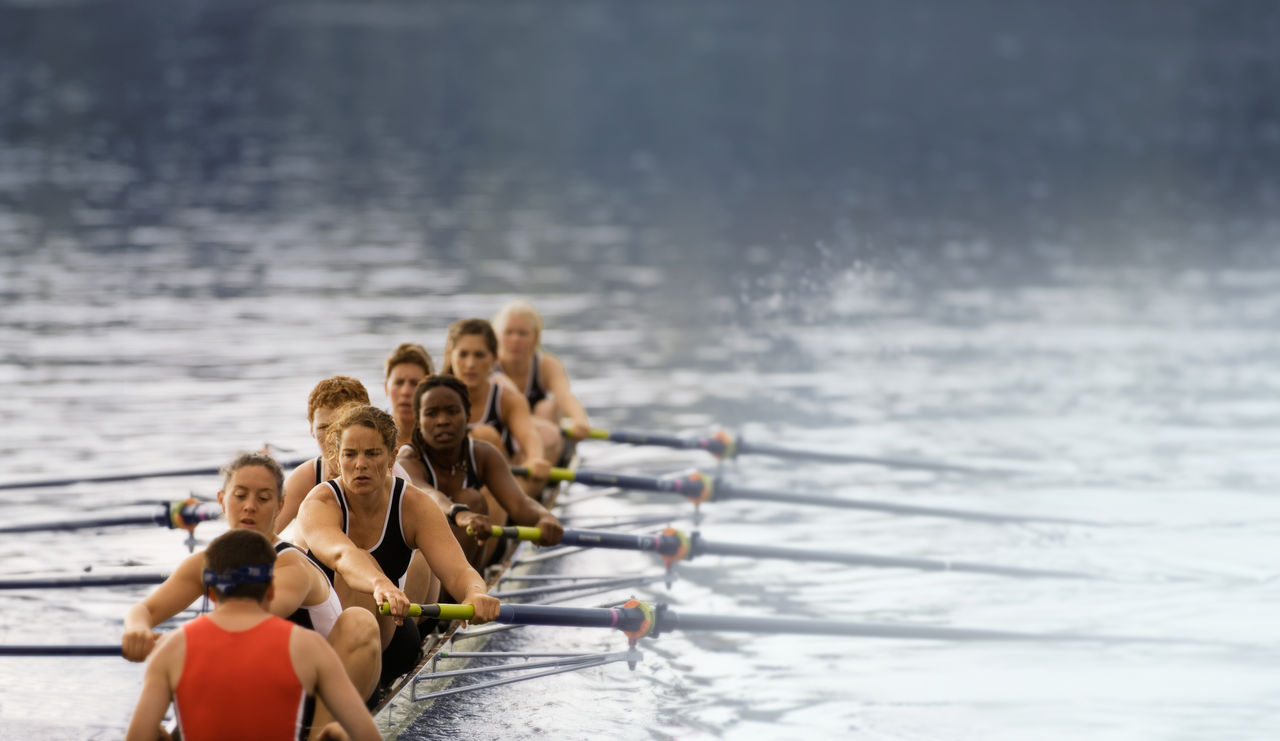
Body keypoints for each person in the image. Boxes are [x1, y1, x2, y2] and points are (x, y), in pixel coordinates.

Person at [122, 452, 380, 740]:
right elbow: (144, 610)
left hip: (321, 691)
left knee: (359, 620)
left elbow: (248, 623)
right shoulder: (207, 561)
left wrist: (170, 646)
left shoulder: (291, 565)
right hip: (257, 687)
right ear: (222, 500)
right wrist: (137, 630)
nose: (249, 507)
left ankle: (316, 734)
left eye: (264, 498)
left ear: (280, 505)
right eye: (240, 495)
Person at [295, 404, 501, 684]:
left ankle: (362, 690)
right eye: (350, 454)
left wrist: (476, 593)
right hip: (323, 636)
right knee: (365, 566)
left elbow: (457, 571)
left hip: (389, 640)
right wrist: (380, 584)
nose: (360, 464)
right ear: (337, 457)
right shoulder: (320, 503)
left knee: (407, 617)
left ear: (392, 457)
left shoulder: (415, 505)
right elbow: (343, 555)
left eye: (372, 453)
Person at [397, 375, 564, 566]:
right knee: (469, 502)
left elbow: (519, 505)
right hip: (421, 565)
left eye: (452, 411)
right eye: (432, 413)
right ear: (418, 420)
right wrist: (460, 515)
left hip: (465, 561)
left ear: (468, 416)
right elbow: (429, 495)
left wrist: (545, 517)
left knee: (471, 499)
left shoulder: (483, 454)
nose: (442, 420)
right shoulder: (408, 460)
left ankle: (470, 589)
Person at [440, 318, 551, 497]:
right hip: (445, 488)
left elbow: (529, 435)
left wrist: (535, 459)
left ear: (494, 358)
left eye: (479, 355)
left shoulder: (507, 399)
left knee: (484, 435)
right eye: (463, 354)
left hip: (495, 487)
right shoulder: (430, 396)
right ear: (449, 355)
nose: (470, 364)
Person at [493, 299, 592, 458]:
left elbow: (564, 396)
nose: (515, 339)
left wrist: (580, 420)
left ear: (536, 337)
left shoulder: (547, 365)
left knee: (548, 407)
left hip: (542, 438)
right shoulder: (488, 366)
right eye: (509, 332)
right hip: (503, 435)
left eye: (522, 333)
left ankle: (537, 467)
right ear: (496, 336)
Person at [275, 376, 372, 533]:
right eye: (324, 428)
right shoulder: (304, 478)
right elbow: (261, 536)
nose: (333, 438)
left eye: (343, 426)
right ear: (311, 429)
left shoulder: (392, 474)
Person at [384, 342, 434, 449]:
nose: (405, 392)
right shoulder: (371, 433)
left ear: (429, 390)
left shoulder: (440, 435)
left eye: (414, 383)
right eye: (399, 382)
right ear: (386, 388)